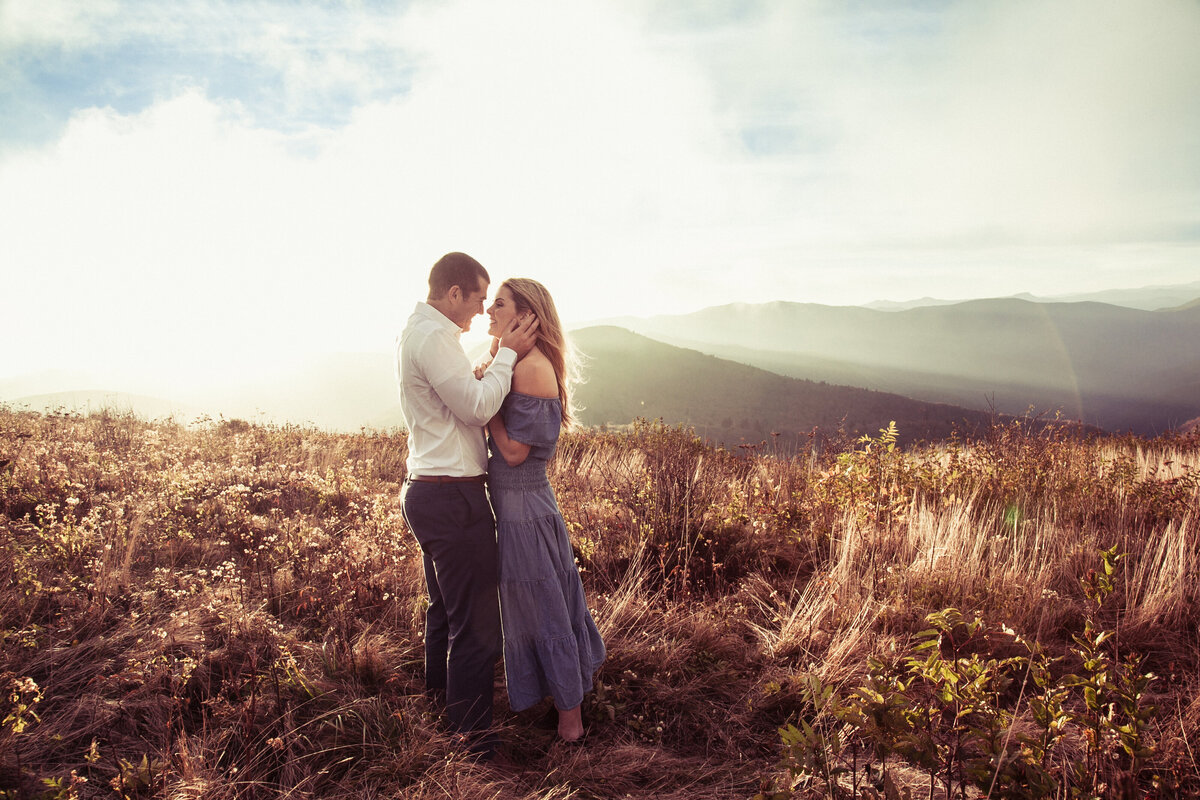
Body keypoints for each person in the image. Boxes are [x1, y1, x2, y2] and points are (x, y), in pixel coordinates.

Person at [396, 252, 539, 757]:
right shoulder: (434, 339)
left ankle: (442, 709)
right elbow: (477, 407)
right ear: (454, 293)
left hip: (428, 490)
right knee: (476, 626)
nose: (482, 311)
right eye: (479, 298)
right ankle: (474, 743)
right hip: (452, 497)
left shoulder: (422, 332)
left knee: (445, 612)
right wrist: (506, 355)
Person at [482, 278, 606, 742]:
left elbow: (514, 452)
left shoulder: (531, 368)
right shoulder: (510, 361)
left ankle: (571, 724)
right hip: (513, 506)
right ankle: (555, 702)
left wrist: (486, 407)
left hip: (525, 509)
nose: (490, 309)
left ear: (526, 316)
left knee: (546, 609)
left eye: (500, 303)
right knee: (532, 607)